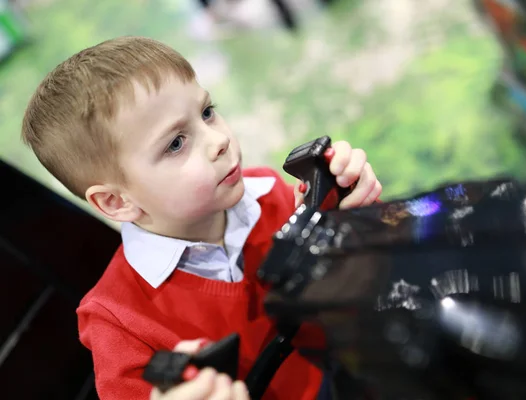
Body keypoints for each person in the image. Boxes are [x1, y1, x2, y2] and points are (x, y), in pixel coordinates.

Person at [21, 36, 382, 400]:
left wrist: (348, 211)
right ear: (116, 202)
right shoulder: (118, 323)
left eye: (207, 111)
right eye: (176, 143)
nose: (218, 140)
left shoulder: (271, 193)